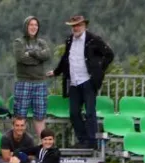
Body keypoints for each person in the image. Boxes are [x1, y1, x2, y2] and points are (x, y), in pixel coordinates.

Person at [48, 15, 114, 149]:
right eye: (74, 26)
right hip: (74, 81)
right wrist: (56, 72)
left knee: (90, 112)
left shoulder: (93, 39)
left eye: (78, 25)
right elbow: (65, 58)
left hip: (88, 81)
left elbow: (109, 54)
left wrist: (99, 70)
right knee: (73, 113)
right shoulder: (69, 40)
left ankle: (92, 142)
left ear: (84, 26)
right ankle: (83, 140)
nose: (76, 28)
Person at [13, 16, 51, 137]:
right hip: (24, 81)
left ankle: (43, 145)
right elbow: (21, 58)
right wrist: (38, 59)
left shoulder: (42, 42)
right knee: (20, 114)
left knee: (40, 115)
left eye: (36, 25)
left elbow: (47, 55)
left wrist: (32, 53)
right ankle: (18, 143)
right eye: (31, 25)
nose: (34, 27)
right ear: (26, 26)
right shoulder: (19, 42)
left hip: (40, 82)